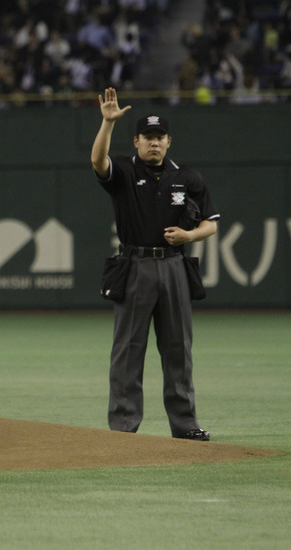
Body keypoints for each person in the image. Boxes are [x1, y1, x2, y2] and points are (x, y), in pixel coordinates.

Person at [91, 87, 220, 441]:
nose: (154, 143)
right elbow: (97, 162)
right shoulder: (122, 171)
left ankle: (185, 425)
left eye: (159, 137)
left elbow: (211, 221)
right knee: (128, 350)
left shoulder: (187, 176)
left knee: (179, 348)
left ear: (168, 141)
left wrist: (190, 236)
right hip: (135, 265)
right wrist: (107, 123)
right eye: (147, 137)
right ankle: (123, 427)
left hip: (175, 265)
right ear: (136, 141)